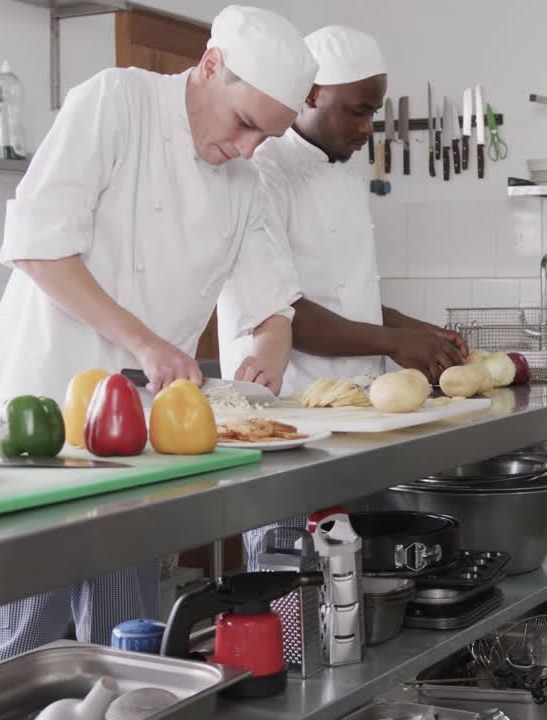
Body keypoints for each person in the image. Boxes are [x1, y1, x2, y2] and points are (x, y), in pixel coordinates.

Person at [0, 5, 318, 671]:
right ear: (211, 66)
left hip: (140, 435)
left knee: (127, 636)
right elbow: (39, 248)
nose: (246, 150)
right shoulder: (115, 102)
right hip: (46, 422)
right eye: (244, 124)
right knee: (22, 636)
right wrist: (148, 344)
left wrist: (267, 353)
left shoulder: (242, 179)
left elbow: (270, 305)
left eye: (265, 138)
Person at [214, 25, 467, 568]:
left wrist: (418, 334)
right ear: (309, 95)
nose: (366, 128)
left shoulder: (346, 169)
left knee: (364, 572)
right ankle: (280, 653)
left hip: (358, 416)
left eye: (374, 112)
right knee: (294, 578)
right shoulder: (261, 168)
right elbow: (284, 311)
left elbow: (353, 298)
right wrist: (397, 340)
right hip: (290, 416)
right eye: (356, 111)